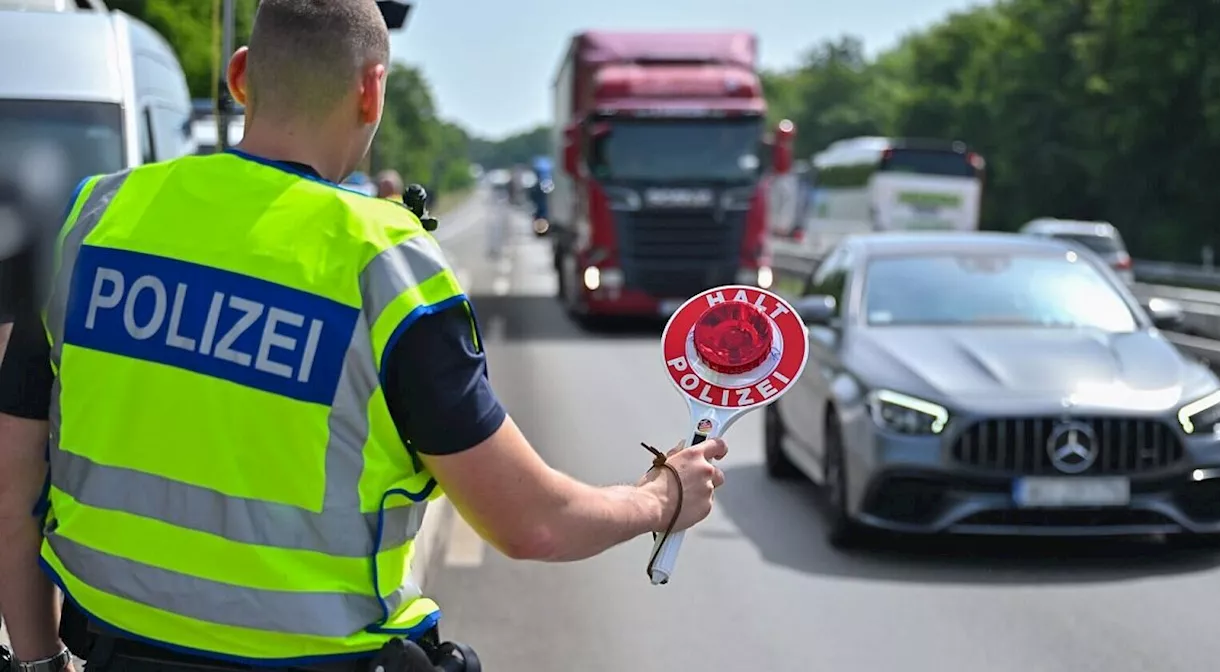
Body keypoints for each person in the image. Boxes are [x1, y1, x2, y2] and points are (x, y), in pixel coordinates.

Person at [0, 1, 729, 671]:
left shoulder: (95, 218)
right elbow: (532, 525)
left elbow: (12, 479)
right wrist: (663, 497)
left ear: (241, 75)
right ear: (371, 91)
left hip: (115, 652)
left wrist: (35, 661)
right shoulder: (386, 264)